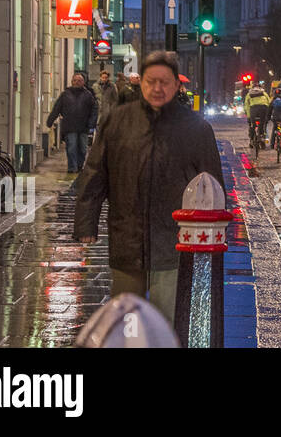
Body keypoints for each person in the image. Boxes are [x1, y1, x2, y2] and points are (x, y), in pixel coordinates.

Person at [73, 51, 224, 326]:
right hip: (127, 238)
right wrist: (86, 222)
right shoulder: (117, 123)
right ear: (140, 83)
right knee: (125, 320)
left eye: (165, 82)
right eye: (151, 81)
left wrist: (212, 233)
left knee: (164, 319)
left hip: (173, 242)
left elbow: (212, 185)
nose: (157, 88)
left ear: (177, 85)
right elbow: (95, 172)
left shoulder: (196, 128)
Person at [46, 71, 99, 173]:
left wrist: (91, 124)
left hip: (83, 127)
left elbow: (94, 110)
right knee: (71, 148)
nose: (77, 82)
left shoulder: (88, 95)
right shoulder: (65, 94)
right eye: (75, 80)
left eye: (79, 80)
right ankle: (72, 168)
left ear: (83, 82)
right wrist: (50, 121)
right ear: (71, 81)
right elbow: (57, 108)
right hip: (69, 127)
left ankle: (79, 165)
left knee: (83, 149)